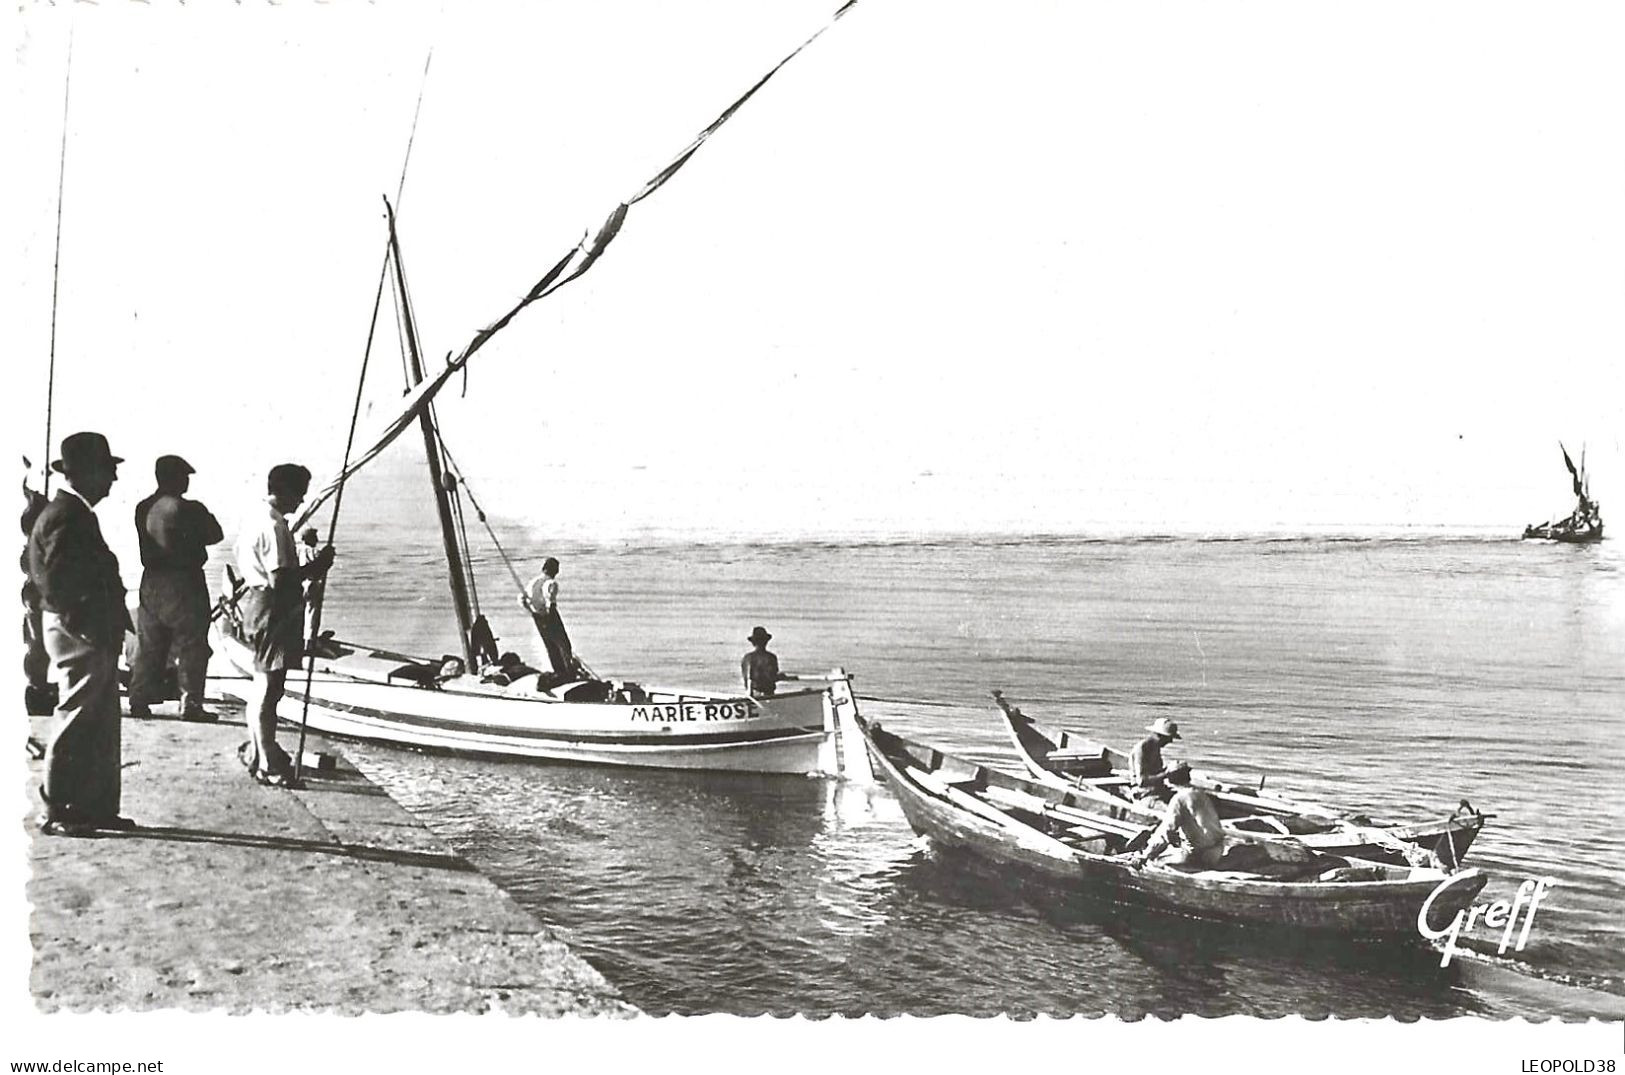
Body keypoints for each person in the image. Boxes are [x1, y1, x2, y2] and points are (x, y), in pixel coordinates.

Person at [27, 432, 135, 836]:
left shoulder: (71, 512)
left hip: (87, 630)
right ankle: (58, 809)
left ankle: (93, 807)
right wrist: (88, 628)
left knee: (101, 720)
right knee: (75, 718)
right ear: (86, 473)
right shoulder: (66, 516)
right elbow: (56, 582)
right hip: (80, 631)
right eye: (108, 471)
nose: (113, 481)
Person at [233, 463, 334, 787]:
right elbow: (282, 580)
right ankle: (267, 765)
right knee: (269, 689)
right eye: (300, 492)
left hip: (256, 605)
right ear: (285, 490)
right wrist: (318, 566)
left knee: (262, 686)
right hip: (273, 609)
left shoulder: (255, 518)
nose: (302, 500)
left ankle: (258, 753)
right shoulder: (274, 526)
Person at [128, 455, 223, 721]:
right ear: (175, 478)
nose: (187, 482)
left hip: (151, 580)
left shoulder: (142, 507)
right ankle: (190, 703)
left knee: (150, 643)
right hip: (184, 580)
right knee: (192, 644)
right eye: (184, 477)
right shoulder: (189, 508)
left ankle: (139, 698)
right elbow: (215, 534)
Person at [1130, 763, 1225, 870]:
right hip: (1218, 849)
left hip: (1201, 856)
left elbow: (1165, 832)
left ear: (1170, 780)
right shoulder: (1200, 793)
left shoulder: (1179, 799)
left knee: (1155, 861)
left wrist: (1146, 855)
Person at [21, 477, 57, 716]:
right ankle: (36, 688)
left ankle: (38, 687)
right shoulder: (34, 504)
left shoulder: (34, 502)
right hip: (33, 585)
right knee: (36, 643)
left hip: (33, 585)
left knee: (37, 643)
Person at [519, 557, 575, 678]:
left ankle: (558, 671)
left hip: (537, 617)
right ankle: (568, 671)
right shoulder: (551, 583)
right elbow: (550, 599)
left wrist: (532, 611)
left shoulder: (533, 582)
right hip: (550, 615)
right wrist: (550, 612)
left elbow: (521, 599)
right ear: (554, 571)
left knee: (550, 646)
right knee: (563, 644)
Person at [1128, 717, 1182, 806]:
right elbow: (1142, 781)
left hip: (1157, 790)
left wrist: (1173, 769)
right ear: (1161, 736)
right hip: (1144, 793)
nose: (1171, 741)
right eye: (1169, 738)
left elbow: (1155, 772)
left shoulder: (1155, 747)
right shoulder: (1143, 748)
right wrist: (1166, 773)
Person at [741, 626, 797, 700]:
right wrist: (785, 677)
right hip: (768, 695)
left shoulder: (746, 658)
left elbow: (748, 678)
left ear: (753, 642)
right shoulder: (770, 657)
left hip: (751, 695)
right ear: (766, 641)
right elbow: (771, 677)